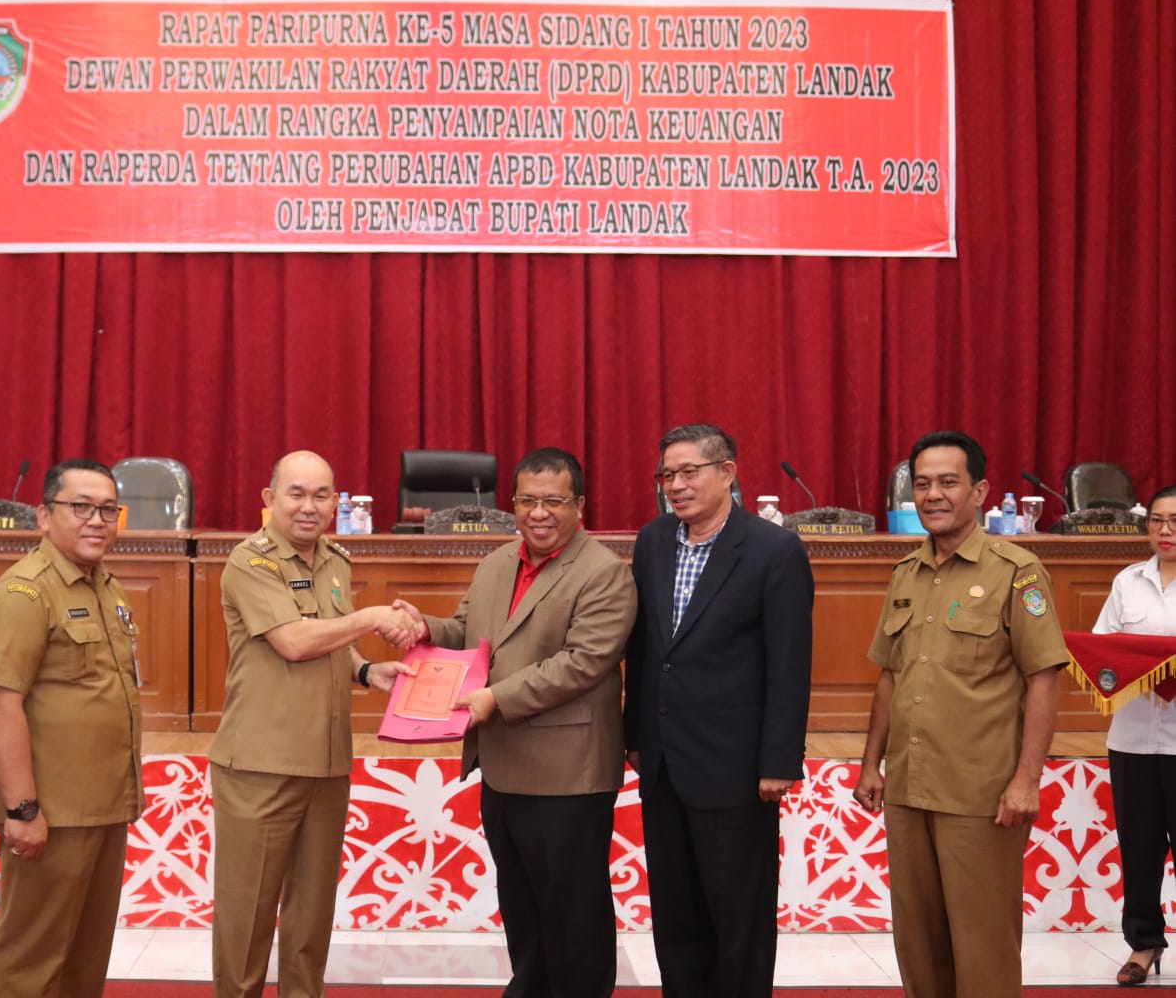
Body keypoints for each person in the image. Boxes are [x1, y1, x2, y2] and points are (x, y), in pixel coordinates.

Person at [393, 447, 637, 997]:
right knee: (524, 907)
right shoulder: (498, 563)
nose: (539, 513)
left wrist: (494, 699)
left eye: (554, 501)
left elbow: (581, 664)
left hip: (567, 775)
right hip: (503, 767)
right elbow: (469, 632)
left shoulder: (604, 574)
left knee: (573, 915)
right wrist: (424, 628)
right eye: (527, 500)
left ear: (579, 505)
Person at [852, 430, 1069, 997]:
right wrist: (871, 763)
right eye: (923, 484)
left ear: (980, 491)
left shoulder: (1017, 571)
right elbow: (890, 674)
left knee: (982, 943)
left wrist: (1027, 781)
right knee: (919, 943)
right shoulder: (906, 572)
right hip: (908, 787)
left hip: (980, 794)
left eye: (948, 482)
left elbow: (1044, 678)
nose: (933, 495)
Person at [210, 450, 414, 998]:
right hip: (261, 764)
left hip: (325, 762)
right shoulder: (250, 562)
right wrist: (370, 618)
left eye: (322, 495)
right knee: (247, 918)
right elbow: (294, 641)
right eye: (296, 493)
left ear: (336, 503)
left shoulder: (334, 559)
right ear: (269, 499)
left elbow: (329, 639)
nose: (309, 506)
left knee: (310, 917)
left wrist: (366, 671)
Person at [622, 423, 814, 997]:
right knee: (675, 917)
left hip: (736, 769)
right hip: (662, 763)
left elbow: (789, 663)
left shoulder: (774, 550)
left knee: (738, 920)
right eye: (667, 475)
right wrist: (635, 737)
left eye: (689, 472)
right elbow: (645, 649)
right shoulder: (653, 540)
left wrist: (779, 761)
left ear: (727, 473)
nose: (675, 485)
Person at [0, 459, 145, 997]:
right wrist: (23, 810)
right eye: (80, 507)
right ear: (45, 517)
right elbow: (0, 704)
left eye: (108, 510)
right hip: (51, 813)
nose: (97, 520)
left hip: (103, 806)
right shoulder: (24, 593)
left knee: (83, 959)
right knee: (32, 960)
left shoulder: (105, 587)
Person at [1096, 485, 1176, 986]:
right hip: (1132, 739)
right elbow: (1102, 650)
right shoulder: (1127, 581)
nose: (1165, 531)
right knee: (1140, 848)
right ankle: (1143, 945)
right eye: (1157, 521)